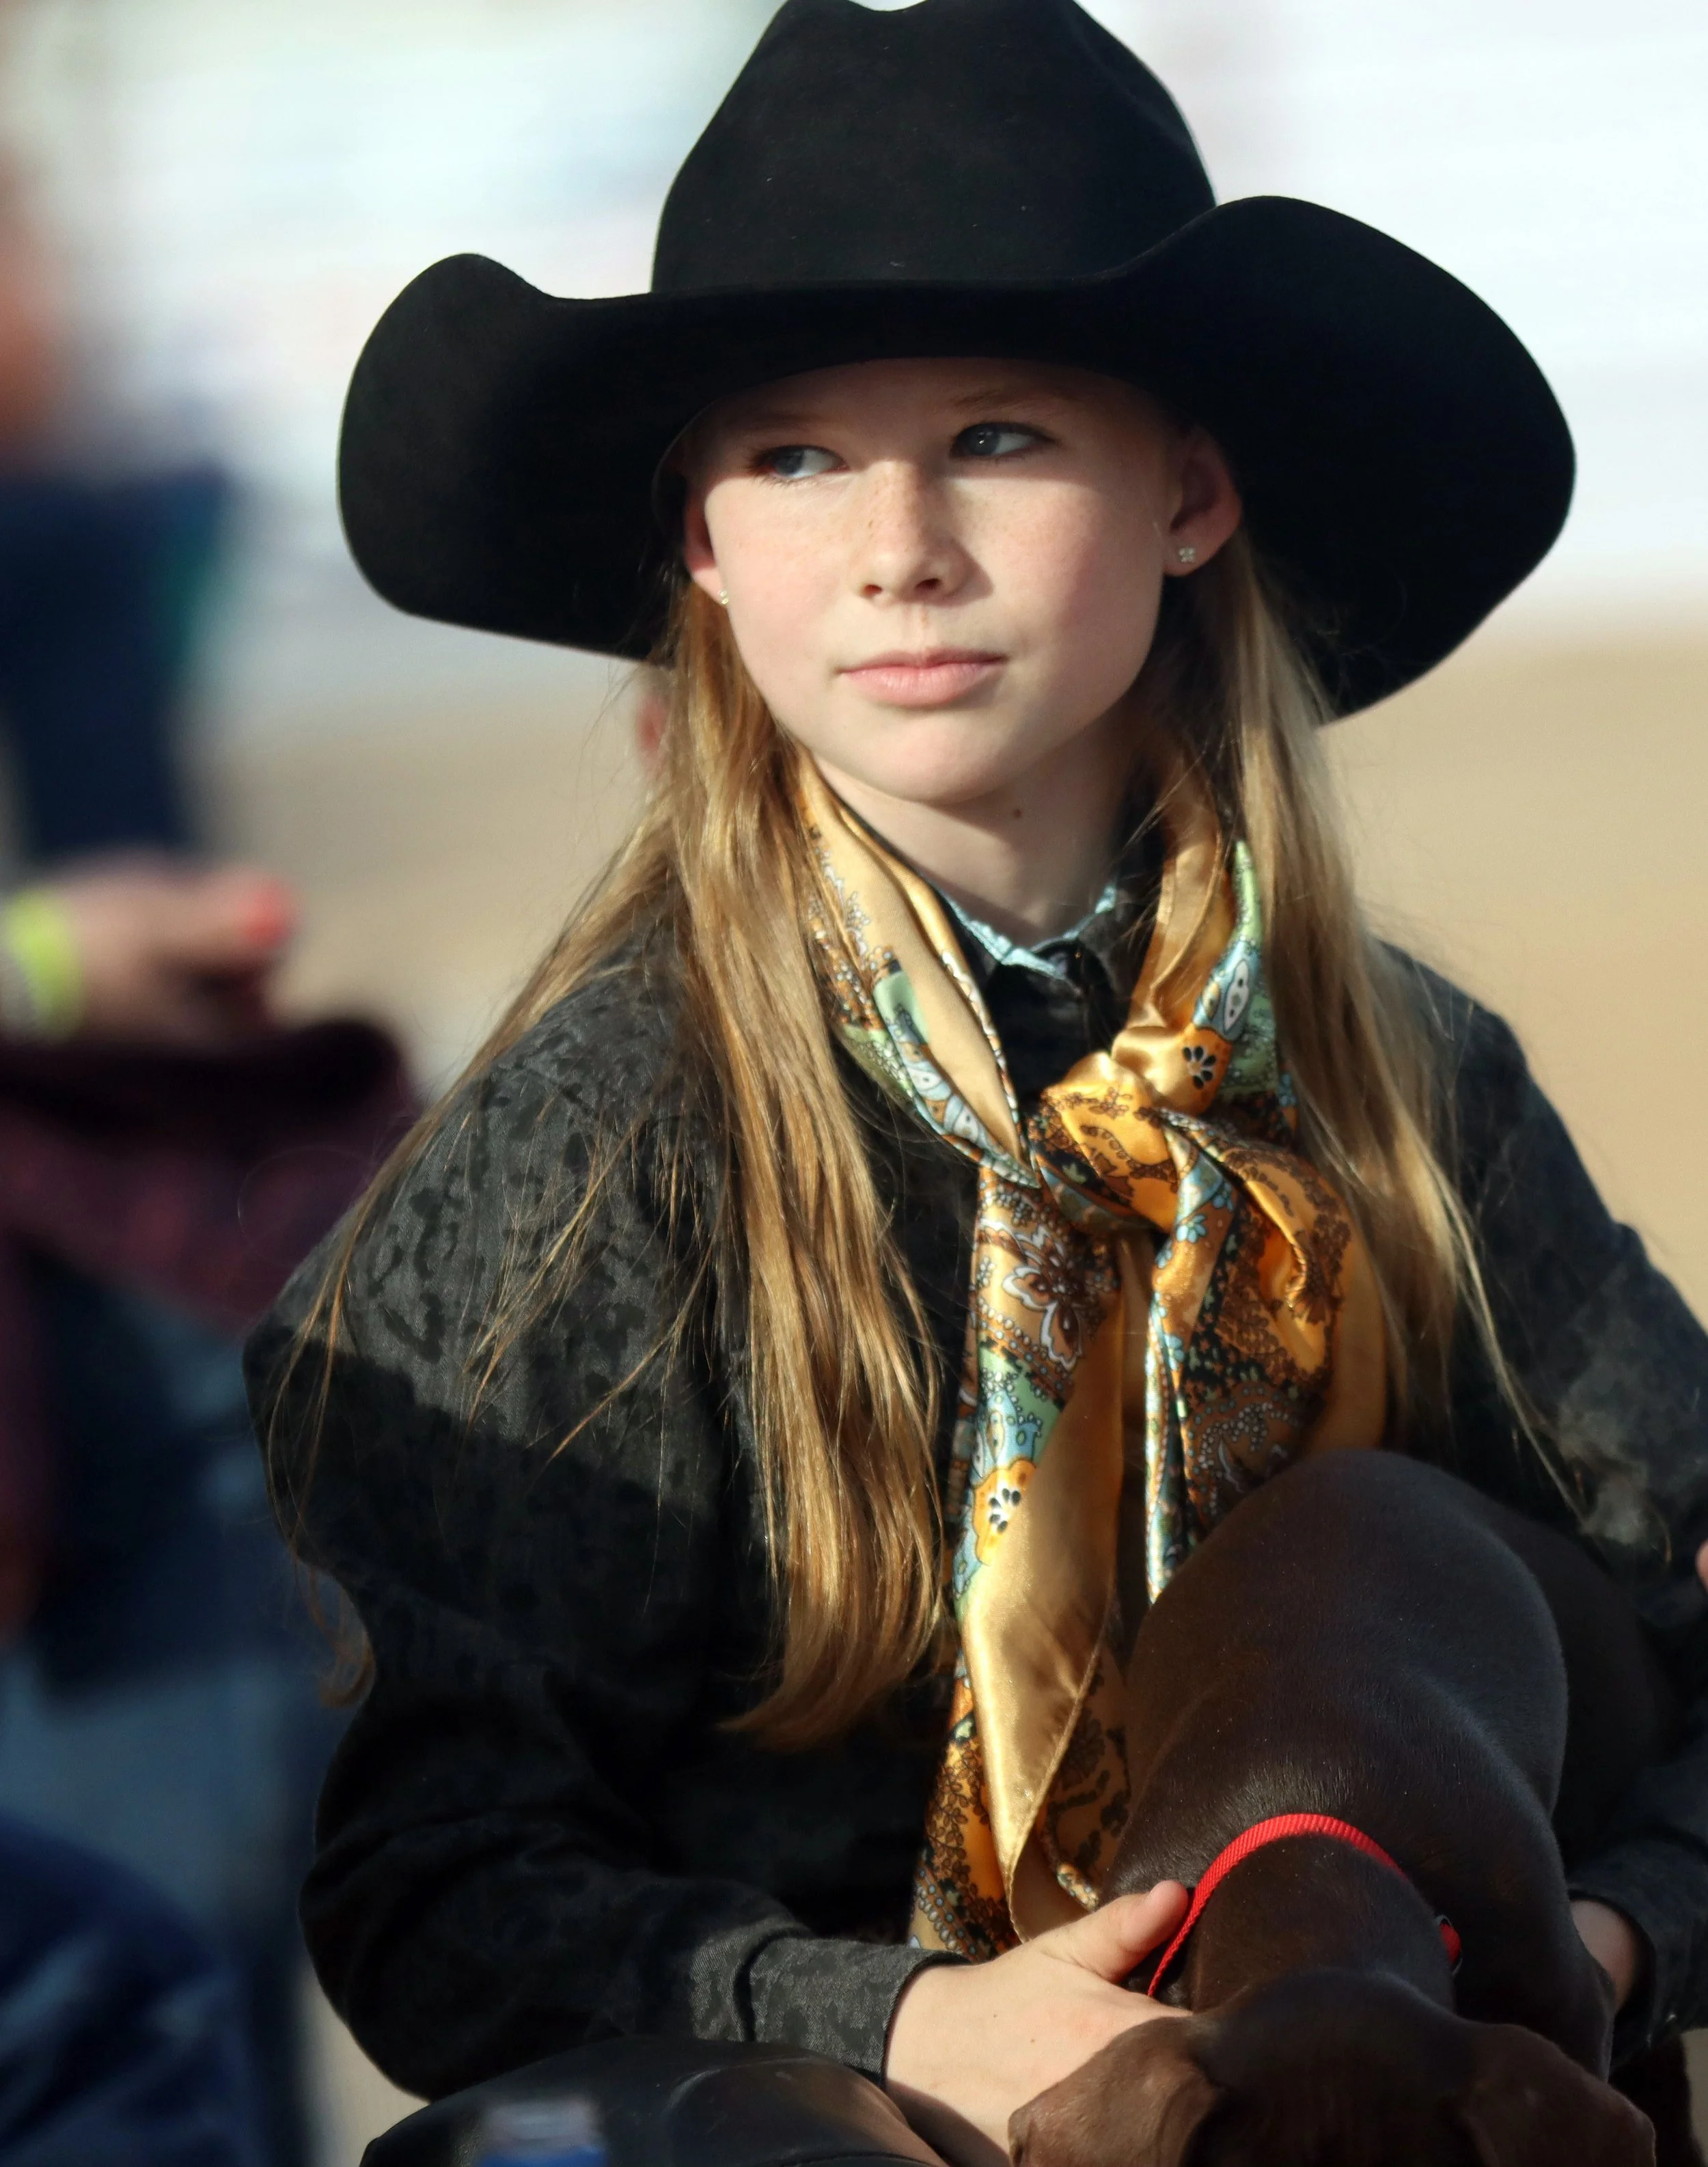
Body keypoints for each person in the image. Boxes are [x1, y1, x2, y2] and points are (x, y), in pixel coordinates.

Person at [248, 1, 1708, 2159]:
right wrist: (911, 2021)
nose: (898, 543)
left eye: (999, 436)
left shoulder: (1400, 1084)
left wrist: (1593, 1938)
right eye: (793, 457)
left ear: (1187, 493)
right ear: (699, 544)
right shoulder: (587, 1149)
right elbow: (428, 1885)